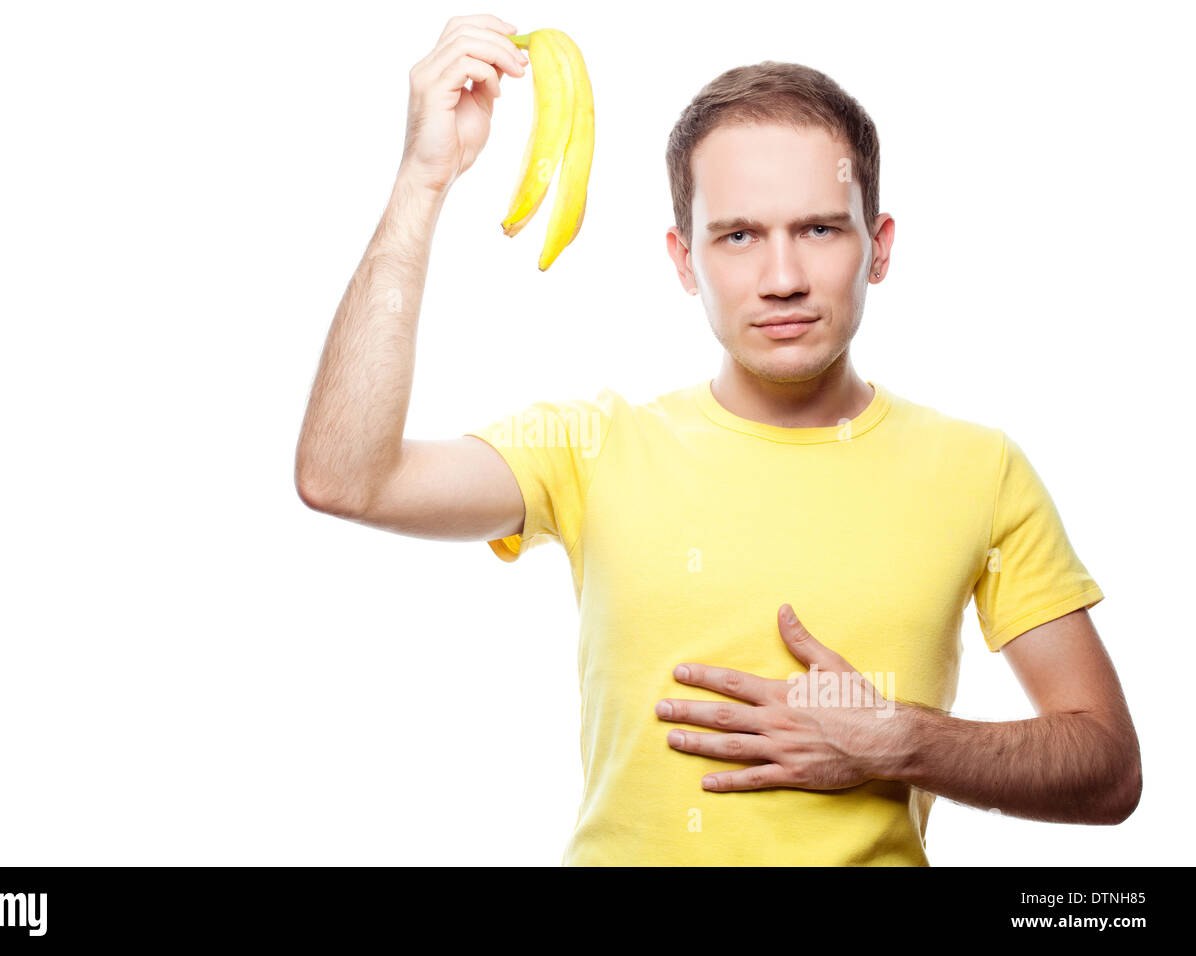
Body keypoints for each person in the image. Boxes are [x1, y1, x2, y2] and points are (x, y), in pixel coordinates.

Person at [294, 13, 1141, 865]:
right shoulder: (591, 446)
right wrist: (423, 177)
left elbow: (1108, 771)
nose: (782, 279)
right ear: (683, 260)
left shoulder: (980, 468)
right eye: (738, 236)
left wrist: (899, 740)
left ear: (878, 248)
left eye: (819, 229)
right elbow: (345, 478)